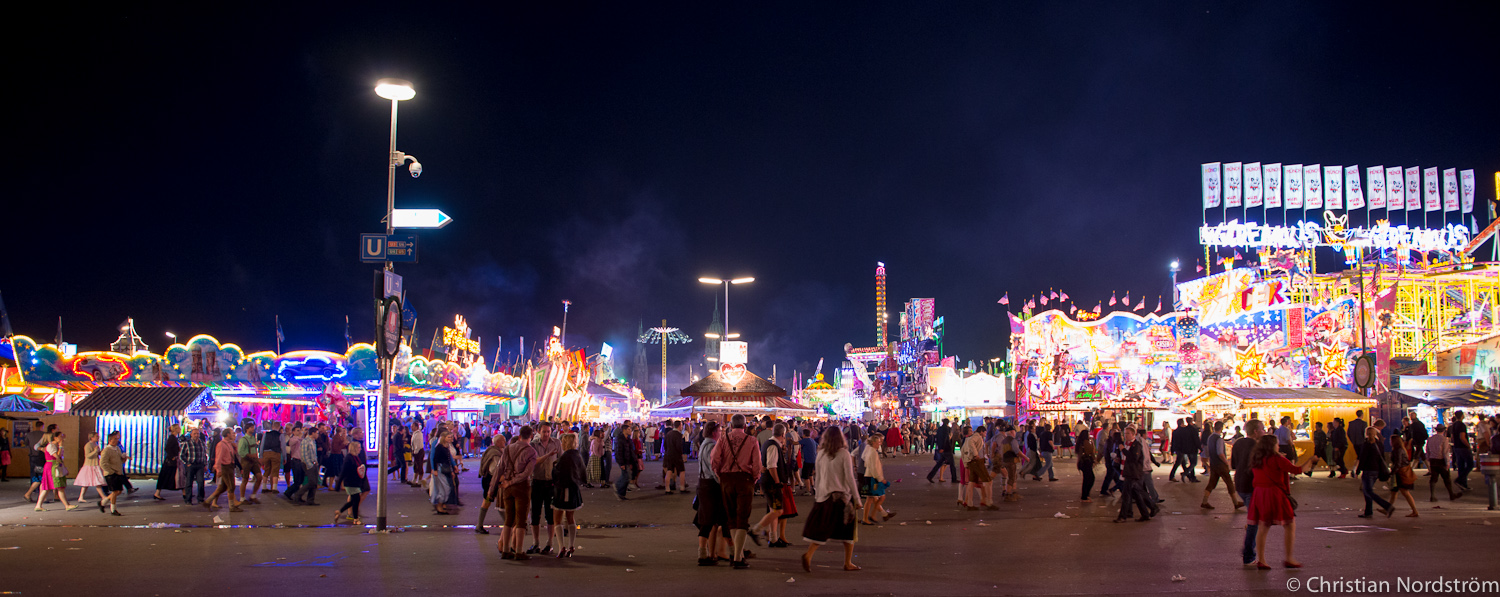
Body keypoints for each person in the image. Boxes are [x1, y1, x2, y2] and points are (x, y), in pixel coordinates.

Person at [800, 425, 862, 573]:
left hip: (824, 497)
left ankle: (809, 555)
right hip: (842, 498)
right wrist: (857, 498)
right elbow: (849, 478)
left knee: (822, 530)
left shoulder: (821, 454)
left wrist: (818, 496)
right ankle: (847, 562)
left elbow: (818, 476)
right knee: (849, 532)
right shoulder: (843, 454)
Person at [1247, 434, 1312, 569]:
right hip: (1274, 494)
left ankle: (1262, 559)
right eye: (1277, 443)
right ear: (1273, 445)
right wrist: (1311, 460)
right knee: (1289, 524)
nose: (1278, 445)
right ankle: (1289, 558)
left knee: (1263, 527)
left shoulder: (1257, 458)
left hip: (1259, 493)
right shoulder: (1278, 459)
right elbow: (1297, 470)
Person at [710, 414, 763, 569]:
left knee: (731, 517)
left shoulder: (723, 439)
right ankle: (738, 557)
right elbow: (757, 463)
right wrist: (754, 478)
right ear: (745, 426)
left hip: (726, 480)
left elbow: (714, 459)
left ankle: (736, 555)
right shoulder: (752, 440)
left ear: (731, 426)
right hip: (744, 480)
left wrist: (719, 474)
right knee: (743, 518)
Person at [496, 426, 538, 561]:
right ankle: (519, 551)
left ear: (519, 435)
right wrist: (513, 480)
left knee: (509, 519)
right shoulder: (531, 451)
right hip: (521, 487)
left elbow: (500, 468)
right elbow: (526, 473)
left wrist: (496, 486)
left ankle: (506, 550)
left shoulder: (508, 448)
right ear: (531, 436)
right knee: (521, 520)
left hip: (507, 487)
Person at [694, 422, 728, 566]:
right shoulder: (711, 446)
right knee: (708, 521)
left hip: (703, 484)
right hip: (709, 485)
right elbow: (712, 467)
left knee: (709, 520)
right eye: (719, 430)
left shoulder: (704, 444)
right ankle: (704, 554)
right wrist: (721, 481)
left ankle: (711, 553)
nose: (721, 433)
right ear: (714, 432)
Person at [1233, 419, 1264, 565]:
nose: (1264, 432)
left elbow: (1233, 463)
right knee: (1254, 521)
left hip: (1239, 484)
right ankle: (1248, 554)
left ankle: (1249, 550)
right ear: (1256, 431)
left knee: (1253, 518)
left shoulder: (1238, 443)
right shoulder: (1258, 446)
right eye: (1262, 429)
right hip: (1251, 485)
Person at [753, 424, 790, 545]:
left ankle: (773, 538)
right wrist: (778, 482)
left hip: (767, 481)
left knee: (773, 510)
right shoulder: (773, 446)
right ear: (783, 434)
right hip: (772, 483)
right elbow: (772, 466)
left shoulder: (768, 444)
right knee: (778, 511)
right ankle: (756, 530)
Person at [527, 423, 562, 553]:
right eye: (544, 432)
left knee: (550, 515)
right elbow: (534, 461)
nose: (546, 434)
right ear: (538, 432)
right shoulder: (533, 445)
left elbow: (560, 459)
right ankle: (535, 543)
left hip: (551, 483)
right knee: (535, 514)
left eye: (548, 431)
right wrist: (548, 455)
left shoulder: (556, 443)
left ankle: (549, 543)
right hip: (537, 482)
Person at [550, 432, 585, 558]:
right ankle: (571, 545)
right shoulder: (577, 456)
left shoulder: (564, 457)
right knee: (570, 518)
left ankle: (561, 547)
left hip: (562, 490)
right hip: (574, 489)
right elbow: (583, 473)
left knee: (557, 519)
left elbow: (557, 475)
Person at [1113, 426, 1156, 523]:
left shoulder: (1136, 445)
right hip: (1127, 472)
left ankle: (1123, 516)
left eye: (1128, 433)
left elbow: (1133, 458)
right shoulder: (1127, 444)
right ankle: (1146, 513)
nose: (1125, 435)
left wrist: (1123, 450)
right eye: (1125, 433)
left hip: (1133, 473)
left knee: (1126, 495)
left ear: (1133, 434)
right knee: (1136, 494)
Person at [1202, 421, 1243, 509]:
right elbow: (1220, 453)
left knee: (1212, 483)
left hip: (1213, 464)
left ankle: (1204, 501)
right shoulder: (1219, 439)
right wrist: (1226, 462)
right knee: (1229, 483)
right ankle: (1235, 503)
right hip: (1220, 464)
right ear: (1221, 428)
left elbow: (1208, 451)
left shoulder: (1210, 438)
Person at [1356, 427, 1394, 518]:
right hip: (1376, 470)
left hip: (1368, 470)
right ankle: (1368, 512)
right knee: (1367, 491)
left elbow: (1363, 458)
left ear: (1366, 434)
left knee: (1368, 491)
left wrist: (1358, 470)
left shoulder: (1366, 444)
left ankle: (1387, 506)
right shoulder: (1379, 444)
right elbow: (1382, 457)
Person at [33, 432, 77, 512]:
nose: (62, 438)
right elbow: (57, 456)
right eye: (60, 437)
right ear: (55, 438)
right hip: (51, 467)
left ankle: (38, 505)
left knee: (48, 488)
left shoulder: (55, 446)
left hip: (54, 466)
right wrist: (60, 446)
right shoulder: (51, 446)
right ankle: (67, 505)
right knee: (57, 487)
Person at [203, 429, 244, 512]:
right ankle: (232, 506)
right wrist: (218, 469)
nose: (234, 435)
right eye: (232, 433)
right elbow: (219, 457)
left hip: (230, 466)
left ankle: (208, 501)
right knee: (231, 486)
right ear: (228, 434)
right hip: (225, 467)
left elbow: (233, 455)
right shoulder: (221, 444)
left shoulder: (229, 444)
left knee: (222, 487)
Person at [332, 439, 369, 525]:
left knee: (354, 500)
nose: (360, 449)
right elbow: (343, 471)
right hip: (350, 482)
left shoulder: (355, 457)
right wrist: (338, 484)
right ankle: (355, 519)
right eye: (359, 447)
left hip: (355, 481)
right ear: (354, 448)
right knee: (356, 499)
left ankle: (340, 511)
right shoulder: (349, 458)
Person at [859, 434, 894, 523]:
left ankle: (873, 516)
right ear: (874, 442)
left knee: (872, 498)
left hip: (869, 476)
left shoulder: (869, 450)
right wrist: (880, 479)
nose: (880, 444)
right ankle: (868, 518)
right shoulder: (873, 452)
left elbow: (864, 459)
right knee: (876, 498)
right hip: (872, 478)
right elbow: (873, 468)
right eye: (878, 442)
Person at [475, 431, 505, 534]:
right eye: (503, 440)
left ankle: (479, 525)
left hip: (487, 479)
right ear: (498, 442)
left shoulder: (491, 450)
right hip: (492, 481)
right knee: (498, 502)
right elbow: (495, 469)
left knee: (488, 501)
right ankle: (508, 525)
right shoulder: (495, 453)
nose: (505, 442)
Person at [960, 425, 995, 509]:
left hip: (972, 462)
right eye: (985, 432)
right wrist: (976, 454)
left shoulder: (972, 437)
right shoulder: (977, 437)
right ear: (982, 432)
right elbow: (972, 442)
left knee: (971, 482)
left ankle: (970, 503)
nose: (986, 434)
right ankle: (989, 502)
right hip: (977, 461)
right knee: (988, 481)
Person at [1425, 424, 1462, 501]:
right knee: (1446, 478)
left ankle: (1432, 496)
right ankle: (1451, 494)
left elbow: (1427, 450)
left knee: (1433, 479)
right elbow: (1445, 452)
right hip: (1441, 460)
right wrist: (1447, 462)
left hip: (1433, 460)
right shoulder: (1444, 439)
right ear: (1444, 430)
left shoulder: (1430, 439)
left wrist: (1428, 459)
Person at [1386, 435, 1419, 517]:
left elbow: (1398, 463)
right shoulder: (1401, 449)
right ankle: (1387, 509)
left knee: (1405, 492)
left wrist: (1392, 473)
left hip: (1401, 473)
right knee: (1394, 492)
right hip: (1401, 472)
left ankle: (1415, 511)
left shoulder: (1397, 450)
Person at [289, 426, 321, 506]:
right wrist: (309, 464)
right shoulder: (305, 441)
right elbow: (304, 454)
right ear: (312, 433)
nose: (318, 435)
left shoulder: (313, 441)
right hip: (308, 464)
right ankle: (298, 494)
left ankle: (310, 500)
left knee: (314, 483)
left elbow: (314, 453)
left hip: (313, 463)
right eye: (317, 433)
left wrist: (316, 462)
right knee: (311, 482)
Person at [98, 431, 127, 516]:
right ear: (110, 440)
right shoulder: (106, 450)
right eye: (115, 439)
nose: (117, 440)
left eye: (117, 439)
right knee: (115, 491)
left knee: (119, 491)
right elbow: (102, 463)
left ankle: (103, 502)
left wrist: (123, 459)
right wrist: (111, 471)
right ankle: (113, 510)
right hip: (111, 474)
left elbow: (119, 460)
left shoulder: (117, 448)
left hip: (118, 472)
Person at [76, 432, 108, 504]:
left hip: (95, 465)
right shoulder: (88, 445)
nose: (98, 437)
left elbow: (97, 453)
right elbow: (88, 455)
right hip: (90, 465)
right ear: (92, 437)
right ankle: (103, 496)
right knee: (97, 482)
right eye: (96, 436)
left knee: (88, 483)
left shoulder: (95, 444)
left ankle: (81, 497)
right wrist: (95, 451)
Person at [430, 431, 457, 515]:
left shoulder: (446, 446)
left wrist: (452, 469)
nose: (450, 439)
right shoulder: (439, 447)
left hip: (445, 469)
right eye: (449, 437)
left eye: (451, 437)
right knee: (444, 488)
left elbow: (449, 460)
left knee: (446, 488)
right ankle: (439, 505)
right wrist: (434, 469)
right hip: (440, 469)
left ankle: (441, 504)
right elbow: (434, 458)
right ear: (444, 438)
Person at [152, 425, 180, 500]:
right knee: (166, 476)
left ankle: (157, 492)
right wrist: (172, 457)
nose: (180, 429)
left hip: (170, 460)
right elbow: (167, 448)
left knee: (165, 476)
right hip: (170, 461)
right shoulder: (172, 438)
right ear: (175, 429)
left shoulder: (174, 438)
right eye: (179, 428)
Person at [236, 422, 261, 504]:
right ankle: (242, 498)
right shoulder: (243, 440)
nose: (253, 429)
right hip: (246, 461)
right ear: (247, 429)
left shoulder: (253, 438)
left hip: (253, 461)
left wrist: (256, 458)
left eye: (253, 427)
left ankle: (253, 496)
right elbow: (240, 451)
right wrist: (250, 455)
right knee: (245, 479)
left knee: (259, 477)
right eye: (251, 427)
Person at [1449, 411, 1474, 491]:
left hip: (1456, 447)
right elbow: (1462, 437)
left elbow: (1452, 437)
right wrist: (1468, 445)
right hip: (1463, 447)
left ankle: (1463, 484)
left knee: (1461, 465)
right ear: (1462, 416)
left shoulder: (1454, 425)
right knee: (1470, 464)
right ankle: (1460, 480)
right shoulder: (1462, 425)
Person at [613, 421, 639, 501]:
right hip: (624, 460)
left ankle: (620, 491)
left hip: (628, 460)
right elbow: (619, 452)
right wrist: (621, 463)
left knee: (627, 476)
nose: (630, 431)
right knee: (626, 476)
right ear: (624, 430)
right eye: (628, 429)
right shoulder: (620, 440)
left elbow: (630, 450)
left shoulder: (628, 439)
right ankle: (619, 490)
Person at [662, 421, 686, 494]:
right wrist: (681, 453)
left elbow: (665, 444)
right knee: (682, 471)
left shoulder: (669, 434)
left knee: (669, 470)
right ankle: (682, 487)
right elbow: (679, 446)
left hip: (669, 454)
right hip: (676, 455)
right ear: (679, 426)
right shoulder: (678, 435)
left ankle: (667, 488)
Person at [258, 421, 283, 493]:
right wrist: (284, 457)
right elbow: (283, 447)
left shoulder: (266, 434)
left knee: (266, 470)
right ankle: (274, 488)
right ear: (279, 427)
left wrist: (261, 455)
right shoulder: (280, 435)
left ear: (272, 427)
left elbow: (262, 445)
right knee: (275, 471)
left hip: (266, 453)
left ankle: (264, 487)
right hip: (276, 453)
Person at [1076, 427, 1097, 502]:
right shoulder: (1085, 442)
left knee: (1087, 478)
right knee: (1090, 478)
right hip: (1086, 462)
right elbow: (1091, 451)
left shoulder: (1080, 442)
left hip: (1082, 462)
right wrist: (1092, 443)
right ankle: (1085, 495)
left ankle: (1085, 495)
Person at [798, 427, 818, 496]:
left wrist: (790, 440)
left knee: (805, 476)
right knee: (810, 475)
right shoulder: (812, 440)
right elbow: (818, 446)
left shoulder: (805, 440)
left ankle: (808, 491)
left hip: (808, 461)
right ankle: (813, 488)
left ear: (804, 434)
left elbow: (795, 443)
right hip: (813, 460)